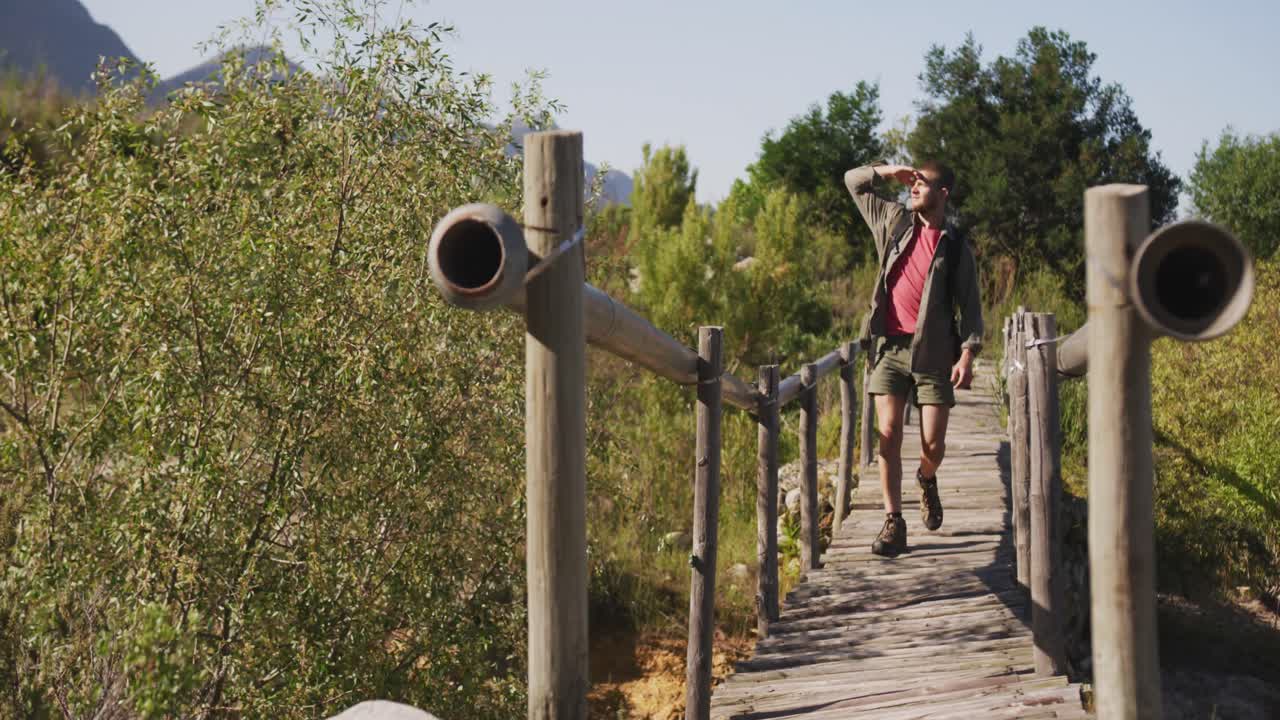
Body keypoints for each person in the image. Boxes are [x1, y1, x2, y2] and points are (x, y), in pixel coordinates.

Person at [843, 160, 984, 557]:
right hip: (889, 347)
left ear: (944, 194)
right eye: (914, 184)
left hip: (936, 352)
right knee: (887, 435)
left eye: (924, 185)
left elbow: (971, 307)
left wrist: (967, 354)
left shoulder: (955, 246)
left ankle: (926, 478)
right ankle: (894, 523)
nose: (915, 189)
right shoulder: (892, 219)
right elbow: (852, 181)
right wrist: (890, 171)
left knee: (933, 445)